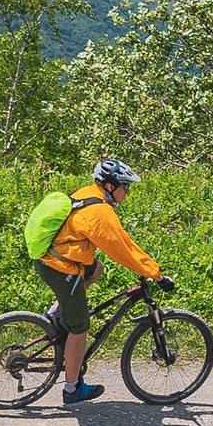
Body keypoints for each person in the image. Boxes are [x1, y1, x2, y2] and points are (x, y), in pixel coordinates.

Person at [35, 155, 168, 406]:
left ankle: (56, 311)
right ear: (110, 186)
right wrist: (155, 274)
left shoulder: (89, 193)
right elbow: (122, 249)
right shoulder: (100, 213)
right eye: (124, 186)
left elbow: (121, 244)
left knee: (97, 270)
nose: (127, 192)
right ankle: (73, 389)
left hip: (57, 255)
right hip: (61, 266)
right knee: (80, 328)